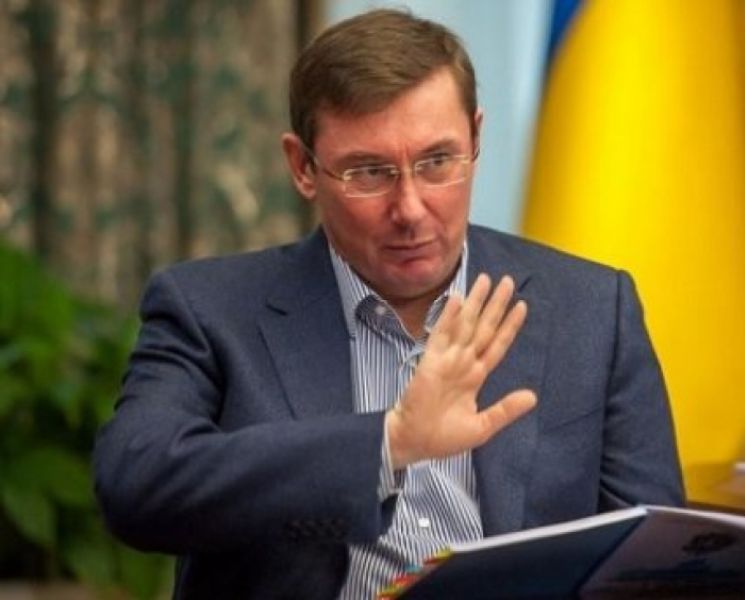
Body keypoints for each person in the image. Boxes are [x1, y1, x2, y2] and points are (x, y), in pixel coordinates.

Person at [93, 8, 683, 599]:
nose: (410, 209)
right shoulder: (210, 309)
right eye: (369, 173)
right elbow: (136, 485)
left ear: (476, 138)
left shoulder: (592, 309)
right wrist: (389, 444)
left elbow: (655, 563)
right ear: (303, 167)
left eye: (437, 162)